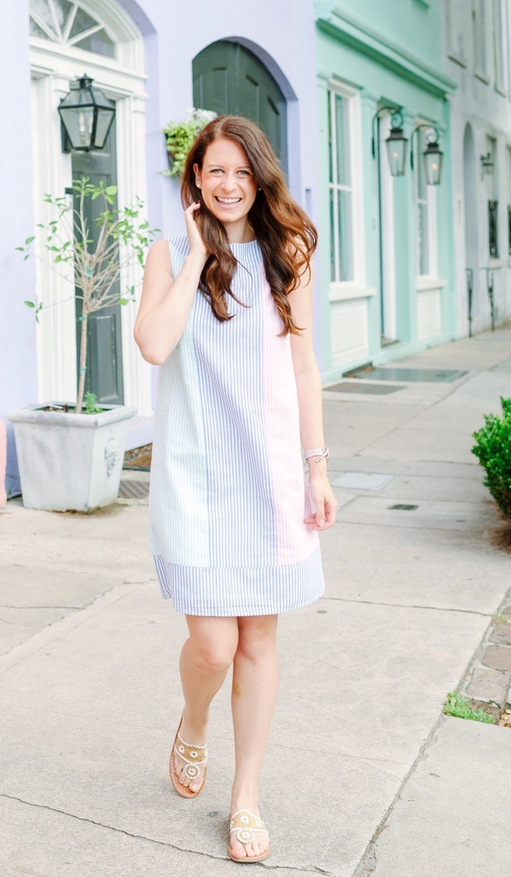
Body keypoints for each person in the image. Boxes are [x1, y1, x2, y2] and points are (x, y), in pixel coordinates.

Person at [133, 115, 337, 864]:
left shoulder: (289, 255)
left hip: (273, 473)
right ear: (194, 180)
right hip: (196, 476)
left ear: (261, 179)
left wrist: (316, 467)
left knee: (258, 639)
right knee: (212, 645)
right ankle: (193, 723)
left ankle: (245, 798)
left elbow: (304, 368)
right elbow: (155, 344)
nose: (228, 186)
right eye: (214, 172)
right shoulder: (167, 255)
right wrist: (194, 257)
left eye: (241, 173)